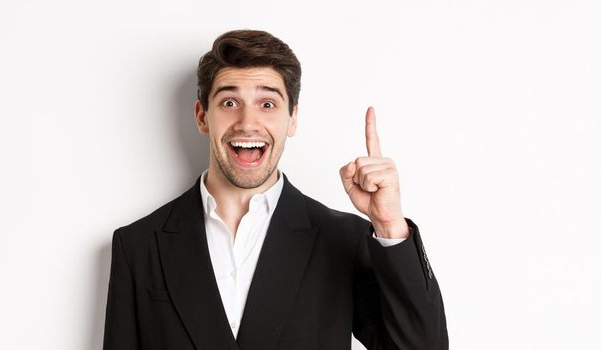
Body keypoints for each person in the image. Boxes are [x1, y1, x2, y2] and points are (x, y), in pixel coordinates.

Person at [103, 29, 448, 350]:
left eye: (267, 104)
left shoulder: (343, 238)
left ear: (292, 118)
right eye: (229, 102)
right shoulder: (138, 246)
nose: (248, 123)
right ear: (202, 116)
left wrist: (389, 225)